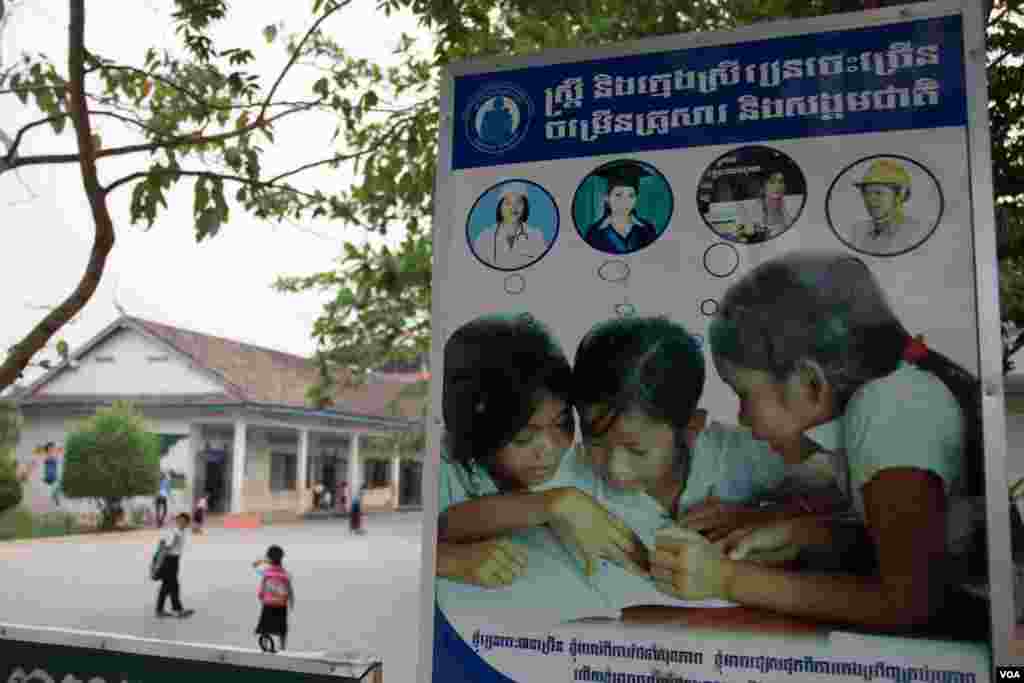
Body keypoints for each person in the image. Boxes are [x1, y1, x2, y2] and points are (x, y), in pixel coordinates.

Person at [652, 251, 985, 637]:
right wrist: (804, 534)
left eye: (743, 393)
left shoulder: (889, 409)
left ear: (810, 384)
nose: (742, 417)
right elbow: (917, 542)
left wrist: (724, 579)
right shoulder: (891, 395)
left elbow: (907, 602)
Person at [572, 315, 838, 555]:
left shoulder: (732, 453)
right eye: (596, 442)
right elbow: (533, 497)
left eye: (637, 451)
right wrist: (555, 503)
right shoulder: (575, 470)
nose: (614, 469)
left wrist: (767, 514)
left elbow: (837, 482)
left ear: (691, 427)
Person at [436, 312, 644, 588]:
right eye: (524, 436)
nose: (548, 450)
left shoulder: (581, 464)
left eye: (562, 424)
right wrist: (449, 559)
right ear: (476, 430)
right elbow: (439, 526)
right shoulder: (442, 466)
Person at [844, 159, 927, 255]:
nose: (870, 200)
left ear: (900, 195)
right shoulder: (858, 231)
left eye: (878, 193)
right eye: (867, 193)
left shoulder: (917, 232)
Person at [582, 162, 660, 255]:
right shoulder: (594, 233)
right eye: (618, 195)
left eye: (631, 195)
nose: (625, 201)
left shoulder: (647, 229)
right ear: (607, 198)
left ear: (636, 199)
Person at [472, 184, 549, 270]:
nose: (514, 208)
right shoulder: (484, 237)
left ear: (525, 206)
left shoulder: (536, 236)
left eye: (519, 202)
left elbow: (544, 268)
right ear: (500, 207)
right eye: (508, 203)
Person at [735, 168, 795, 242]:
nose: (778, 186)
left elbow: (790, 226)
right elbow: (741, 234)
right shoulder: (747, 207)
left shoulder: (783, 204)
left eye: (780, 182)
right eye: (772, 182)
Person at [253, 545, 295, 651]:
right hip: (281, 604)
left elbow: (255, 566)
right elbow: (289, 589)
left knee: (265, 627)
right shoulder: (285, 573)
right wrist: (291, 602)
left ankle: (265, 647)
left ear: (269, 558)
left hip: (268, 603)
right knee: (281, 628)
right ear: (281, 558)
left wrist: (264, 560)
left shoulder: (267, 572)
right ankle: (283, 648)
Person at [155, 512, 195, 618]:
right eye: (180, 520)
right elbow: (166, 548)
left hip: (174, 560)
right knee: (173, 586)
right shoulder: (175, 532)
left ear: (187, 523)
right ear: (177, 521)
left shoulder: (181, 531)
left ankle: (161, 610)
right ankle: (176, 609)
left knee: (167, 586)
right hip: (169, 561)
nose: (182, 523)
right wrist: (159, 563)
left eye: (184, 521)